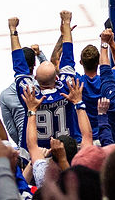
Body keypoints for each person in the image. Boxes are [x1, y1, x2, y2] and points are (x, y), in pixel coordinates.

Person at [8, 11, 83, 150]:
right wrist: (66, 23)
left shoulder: (30, 95)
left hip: (37, 153)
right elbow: (68, 59)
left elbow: (19, 66)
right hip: (66, 149)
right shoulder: (67, 89)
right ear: (56, 77)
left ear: (34, 79)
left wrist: (13, 30)